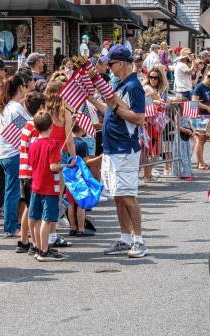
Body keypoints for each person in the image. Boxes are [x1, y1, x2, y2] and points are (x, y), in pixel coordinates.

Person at [89, 44, 148, 258]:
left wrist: (114, 107)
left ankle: (139, 240)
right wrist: (92, 99)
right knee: (118, 196)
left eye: (110, 63)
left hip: (124, 148)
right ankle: (125, 238)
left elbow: (139, 118)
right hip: (114, 149)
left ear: (121, 63)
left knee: (127, 195)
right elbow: (112, 112)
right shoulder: (120, 83)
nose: (108, 67)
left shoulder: (133, 86)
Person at [28, 110, 75, 262]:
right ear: (51, 126)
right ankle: (44, 250)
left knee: (35, 217)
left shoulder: (33, 143)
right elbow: (53, 166)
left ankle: (37, 246)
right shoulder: (53, 144)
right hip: (49, 186)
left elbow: (31, 163)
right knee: (47, 220)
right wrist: (66, 164)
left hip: (36, 184)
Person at [0, 74, 31, 236]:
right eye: (25, 86)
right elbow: (26, 130)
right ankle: (10, 227)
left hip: (6, 153)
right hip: (13, 153)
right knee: (13, 192)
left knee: (11, 191)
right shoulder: (15, 108)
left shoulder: (7, 106)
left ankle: (13, 224)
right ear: (20, 88)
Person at [17, 91, 46, 253]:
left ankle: (23, 240)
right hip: (32, 173)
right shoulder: (36, 127)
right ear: (41, 106)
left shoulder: (28, 124)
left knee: (29, 207)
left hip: (25, 172)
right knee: (35, 210)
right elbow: (37, 152)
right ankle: (36, 244)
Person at [67, 123, 95, 237]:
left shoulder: (68, 143)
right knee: (81, 204)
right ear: (83, 129)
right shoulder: (82, 144)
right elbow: (86, 161)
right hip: (80, 176)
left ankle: (73, 227)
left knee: (71, 203)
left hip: (69, 176)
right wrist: (99, 159)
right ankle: (81, 229)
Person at [192, 67, 210, 169]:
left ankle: (201, 162)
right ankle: (200, 163)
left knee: (203, 140)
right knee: (200, 140)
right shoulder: (200, 87)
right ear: (205, 75)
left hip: (207, 117)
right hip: (201, 116)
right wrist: (206, 107)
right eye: (209, 76)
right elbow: (194, 102)